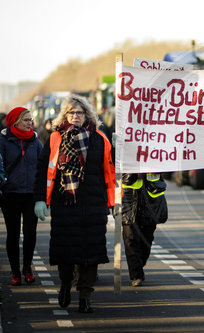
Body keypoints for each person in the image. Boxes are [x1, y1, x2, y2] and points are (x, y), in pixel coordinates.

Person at [33, 94, 115, 313]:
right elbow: (43, 170)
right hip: (65, 203)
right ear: (65, 115)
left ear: (86, 114)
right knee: (65, 251)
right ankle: (65, 285)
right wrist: (40, 198)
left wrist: (113, 201)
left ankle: (85, 295)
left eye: (80, 113)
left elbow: (110, 171)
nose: (76, 116)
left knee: (92, 252)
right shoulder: (55, 138)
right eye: (72, 112)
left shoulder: (100, 138)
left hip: (94, 203)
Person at [0, 107, 42, 286]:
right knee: (13, 234)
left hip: (31, 194)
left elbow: (42, 166)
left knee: (30, 233)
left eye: (31, 120)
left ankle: (27, 267)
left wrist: (43, 193)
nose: (30, 123)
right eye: (26, 120)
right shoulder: (3, 140)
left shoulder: (35, 140)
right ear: (15, 121)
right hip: (10, 194)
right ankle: (15, 271)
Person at [122, 173, 168, 287]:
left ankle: (138, 264)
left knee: (147, 237)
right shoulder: (122, 154)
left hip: (151, 197)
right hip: (129, 197)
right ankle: (136, 275)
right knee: (130, 237)